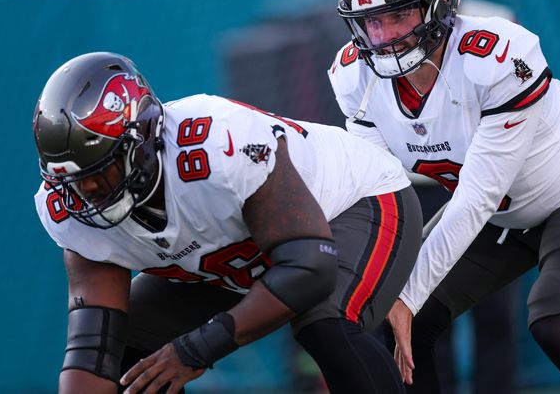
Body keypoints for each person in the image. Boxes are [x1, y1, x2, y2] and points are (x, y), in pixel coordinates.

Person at [328, 0, 560, 393]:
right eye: (373, 22)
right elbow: (380, 194)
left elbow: (477, 196)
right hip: (502, 215)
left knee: (557, 326)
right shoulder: (356, 78)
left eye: (399, 16)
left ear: (436, 2)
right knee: (391, 316)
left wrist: (407, 296)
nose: (386, 36)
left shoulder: (497, 57)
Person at [32, 51, 423, 394]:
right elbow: (90, 355)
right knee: (123, 346)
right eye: (75, 181)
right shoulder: (70, 211)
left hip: (353, 204)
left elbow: (309, 268)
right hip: (238, 260)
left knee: (324, 321)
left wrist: (198, 346)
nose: (91, 192)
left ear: (144, 138)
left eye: (103, 171)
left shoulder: (216, 142)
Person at [409, 0, 520, 394]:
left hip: (486, 182)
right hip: (425, 188)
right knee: (428, 306)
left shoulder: (496, 23)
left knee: (494, 306)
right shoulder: (392, 33)